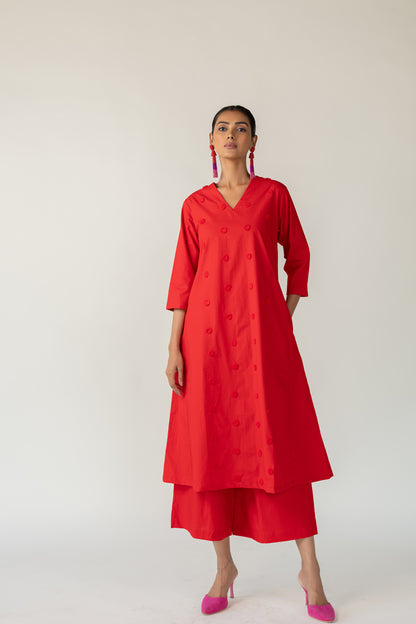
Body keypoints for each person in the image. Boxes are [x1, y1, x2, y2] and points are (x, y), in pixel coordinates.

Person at [163, 105, 335, 621]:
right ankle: (224, 568)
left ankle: (310, 570)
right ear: (210, 140)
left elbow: (299, 257)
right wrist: (173, 347)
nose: (231, 135)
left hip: (263, 343)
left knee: (282, 446)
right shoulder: (195, 205)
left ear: (253, 141)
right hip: (206, 343)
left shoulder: (274, 196)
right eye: (223, 128)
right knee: (211, 447)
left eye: (241, 128)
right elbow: (183, 278)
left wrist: (282, 316)